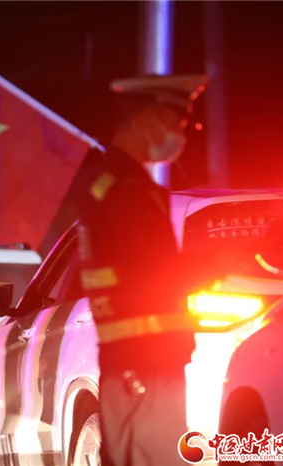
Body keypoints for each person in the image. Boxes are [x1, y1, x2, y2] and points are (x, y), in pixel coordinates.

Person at [70, 74, 209, 466]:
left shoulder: (109, 183)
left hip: (131, 362)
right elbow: (155, 273)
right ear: (148, 119)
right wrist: (220, 266)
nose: (181, 136)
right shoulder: (129, 190)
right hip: (148, 362)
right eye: (177, 124)